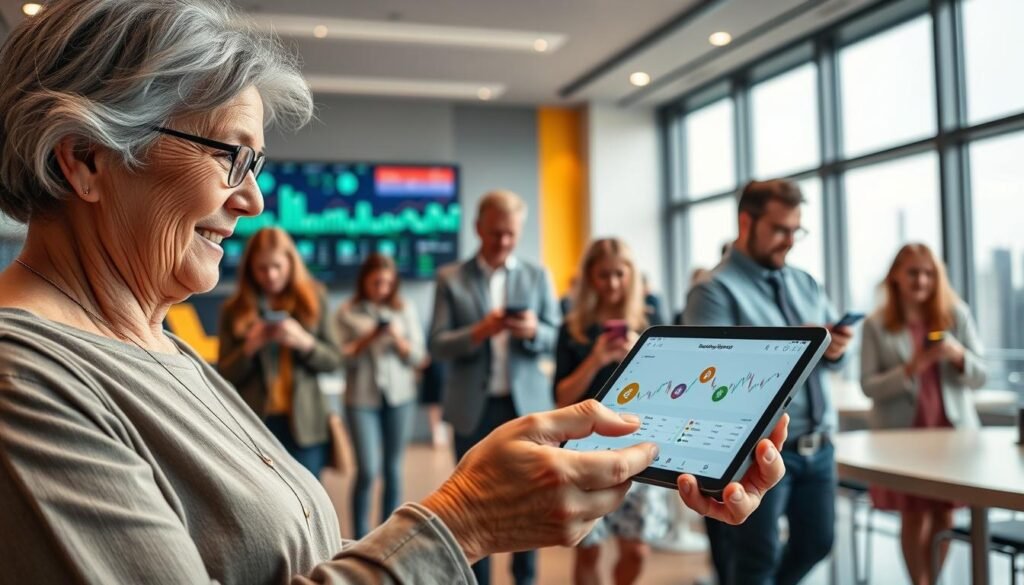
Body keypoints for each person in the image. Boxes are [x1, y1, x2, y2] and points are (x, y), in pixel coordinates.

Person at [0, 1, 788, 582]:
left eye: (258, 166)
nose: (254, 200)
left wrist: (542, 488)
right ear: (84, 159)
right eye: (230, 157)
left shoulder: (152, 341)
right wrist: (463, 518)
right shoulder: (24, 379)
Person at [684, 179, 855, 585]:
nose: (790, 241)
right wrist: (795, 344)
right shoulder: (712, 290)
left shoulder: (805, 282)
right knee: (754, 560)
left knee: (818, 543)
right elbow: (712, 380)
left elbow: (832, 362)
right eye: (780, 229)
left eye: (797, 230)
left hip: (818, 447)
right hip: (759, 451)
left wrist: (834, 349)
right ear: (747, 221)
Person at [428, 189, 561, 585]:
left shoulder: (538, 275)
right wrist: (480, 331)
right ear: (477, 229)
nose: (503, 242)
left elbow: (558, 337)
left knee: (530, 499)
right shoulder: (450, 278)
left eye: (510, 234)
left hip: (525, 406)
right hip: (473, 406)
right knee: (474, 502)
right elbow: (436, 344)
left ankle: (525, 578)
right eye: (495, 233)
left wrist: (536, 331)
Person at [860, 243, 986, 585]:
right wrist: (912, 367)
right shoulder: (876, 324)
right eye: (913, 272)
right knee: (913, 515)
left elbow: (981, 374)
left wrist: (958, 356)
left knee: (945, 515)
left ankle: (933, 579)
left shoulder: (955, 315)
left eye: (929, 273)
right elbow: (869, 386)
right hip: (902, 439)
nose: (921, 280)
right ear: (896, 277)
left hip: (952, 435)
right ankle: (921, 582)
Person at [554, 238, 669, 585]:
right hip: (586, 446)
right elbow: (561, 397)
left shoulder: (651, 322)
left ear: (631, 274)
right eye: (604, 275)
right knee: (588, 547)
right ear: (590, 276)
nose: (613, 284)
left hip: (639, 440)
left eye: (620, 274)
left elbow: (672, 389)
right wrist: (596, 359)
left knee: (636, 550)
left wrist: (639, 355)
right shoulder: (572, 328)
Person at [218, 227, 340, 479]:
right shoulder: (233, 309)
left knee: (310, 505)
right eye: (261, 268)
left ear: (291, 263)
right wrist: (250, 347)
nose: (270, 275)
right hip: (256, 423)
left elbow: (334, 361)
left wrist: (305, 342)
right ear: (250, 268)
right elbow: (225, 373)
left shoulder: (315, 298)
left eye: (277, 266)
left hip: (305, 424)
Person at [335, 253, 425, 538]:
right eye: (376, 282)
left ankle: (388, 539)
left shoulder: (405, 310)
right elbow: (338, 357)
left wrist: (399, 340)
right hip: (362, 400)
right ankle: (361, 540)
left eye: (388, 283)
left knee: (393, 470)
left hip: (400, 399)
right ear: (365, 280)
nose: (382, 288)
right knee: (367, 470)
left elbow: (420, 357)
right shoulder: (347, 312)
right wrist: (368, 338)